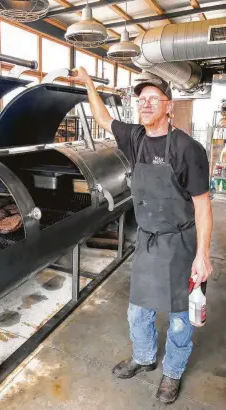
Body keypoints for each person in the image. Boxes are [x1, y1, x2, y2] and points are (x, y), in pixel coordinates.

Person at [70, 67, 213, 404]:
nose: (145, 104)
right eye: (141, 99)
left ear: (168, 106)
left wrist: (203, 254)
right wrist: (90, 84)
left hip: (181, 243)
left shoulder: (188, 150)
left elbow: (203, 206)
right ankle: (145, 357)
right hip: (148, 242)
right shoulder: (134, 137)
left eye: (154, 99)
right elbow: (104, 118)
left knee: (180, 316)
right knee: (139, 310)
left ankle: (173, 372)